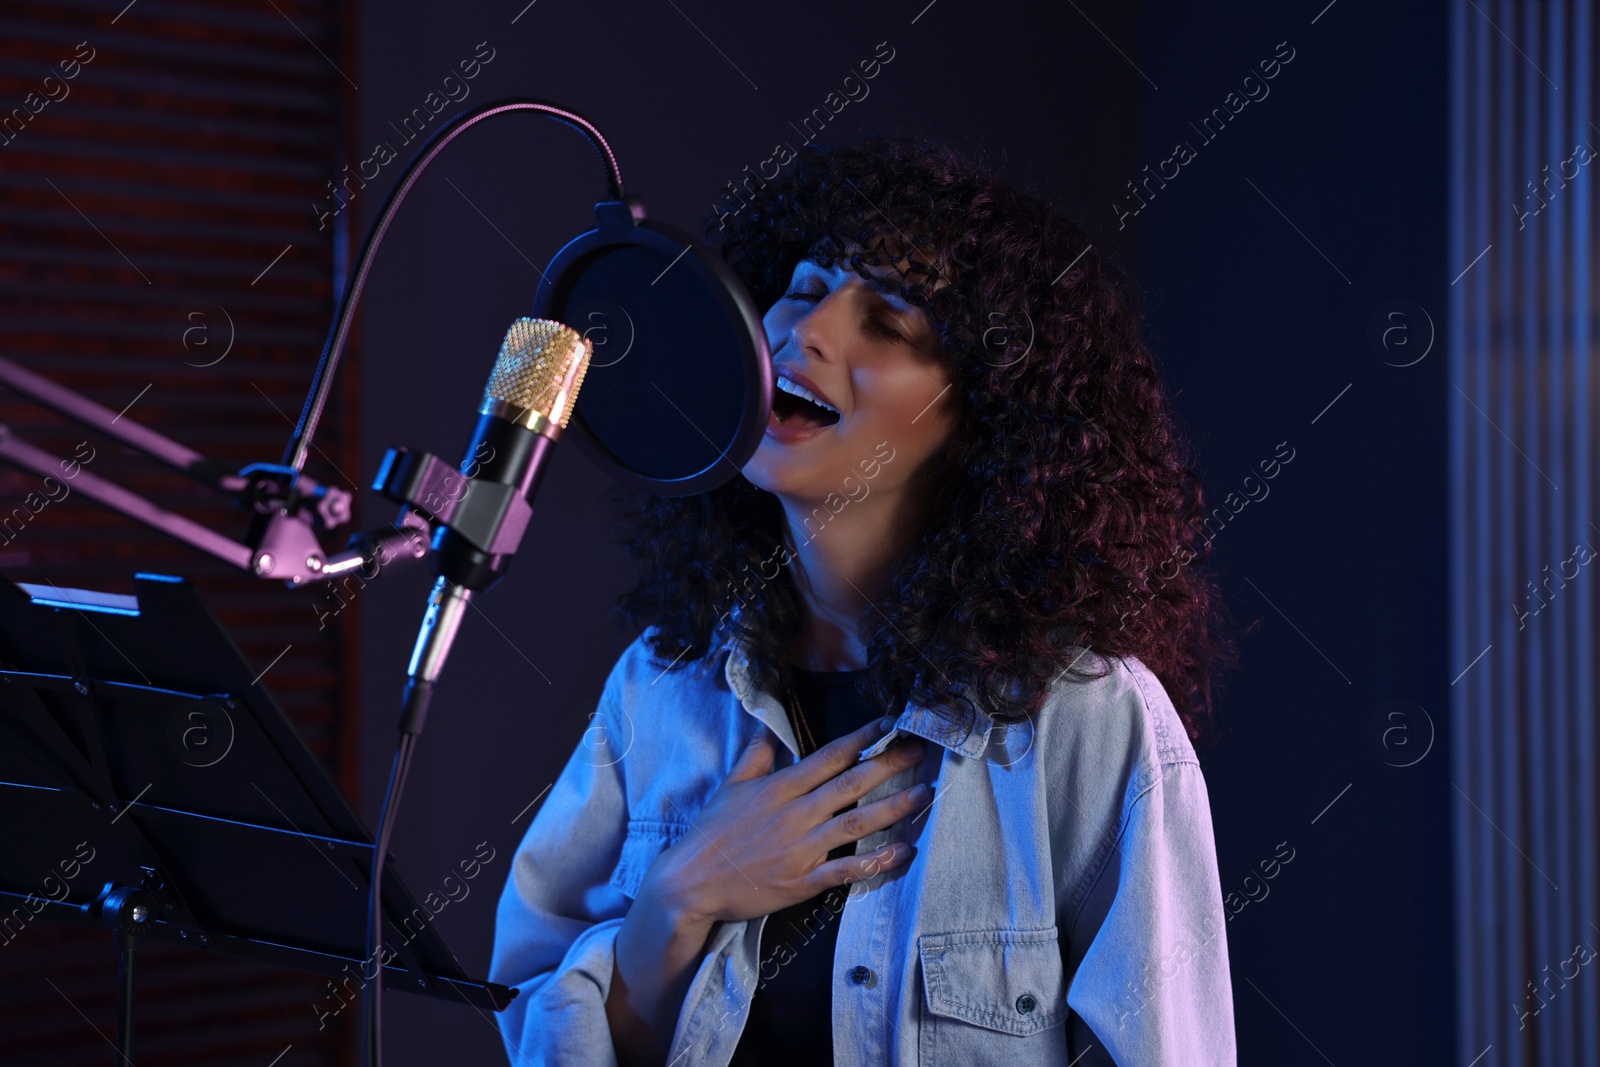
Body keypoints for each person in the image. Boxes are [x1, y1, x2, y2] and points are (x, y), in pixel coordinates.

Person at [490, 133, 1245, 1066]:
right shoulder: (658, 688)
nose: (806, 329)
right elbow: (533, 1021)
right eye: (802, 289)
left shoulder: (1090, 718)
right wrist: (681, 897)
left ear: (989, 424)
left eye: (887, 324)